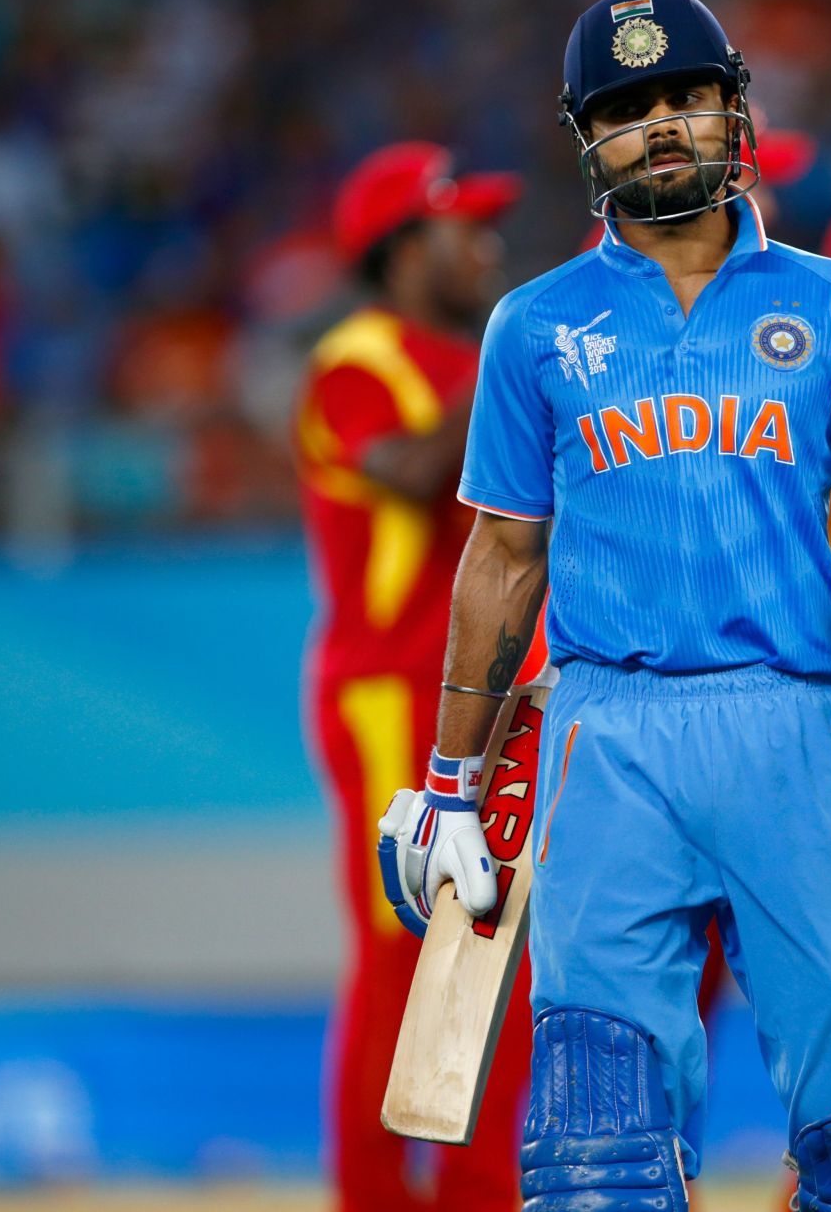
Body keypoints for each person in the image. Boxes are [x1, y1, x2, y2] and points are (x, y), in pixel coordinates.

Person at [373, 0, 831, 1212]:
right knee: (596, 1143)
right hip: (604, 741)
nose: (660, 128)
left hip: (802, 728)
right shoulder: (535, 326)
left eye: (682, 98)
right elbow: (503, 558)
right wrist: (452, 780)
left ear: (734, 108)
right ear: (586, 137)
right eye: (626, 110)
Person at [294, 141, 529, 1211]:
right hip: (396, 689)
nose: (484, 244)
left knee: (487, 958)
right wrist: (512, 354)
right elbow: (404, 469)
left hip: (485, 694)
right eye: (459, 225)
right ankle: (376, 1195)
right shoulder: (358, 357)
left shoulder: (457, 356)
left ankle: (479, 1191)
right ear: (398, 250)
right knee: (406, 960)